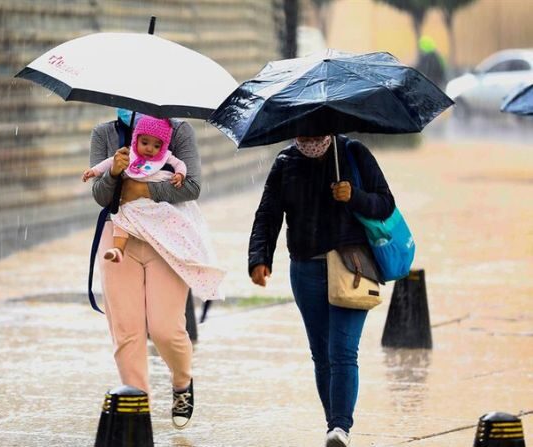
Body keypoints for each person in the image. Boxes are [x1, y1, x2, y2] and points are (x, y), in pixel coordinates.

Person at [248, 134, 395, 447]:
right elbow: (268, 214)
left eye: (317, 126)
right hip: (306, 269)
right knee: (322, 353)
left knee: (342, 351)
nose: (310, 133)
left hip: (351, 265)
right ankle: (334, 427)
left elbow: (385, 204)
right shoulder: (286, 162)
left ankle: (341, 427)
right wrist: (259, 258)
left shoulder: (353, 153)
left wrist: (353, 196)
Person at [88, 109, 224, 430]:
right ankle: (139, 413)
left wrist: (145, 190)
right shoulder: (104, 133)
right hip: (120, 235)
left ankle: (181, 381)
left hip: (167, 236)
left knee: (165, 328)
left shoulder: (179, 131)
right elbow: (100, 196)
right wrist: (113, 175)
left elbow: (191, 187)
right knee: (126, 331)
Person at [83, 116, 187, 263]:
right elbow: (108, 162)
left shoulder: (166, 157)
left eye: (157, 146)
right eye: (144, 142)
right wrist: (93, 171)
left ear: (163, 147)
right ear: (136, 139)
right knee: (120, 216)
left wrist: (180, 174)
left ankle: (176, 246)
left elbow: (180, 164)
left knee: (167, 212)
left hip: (153, 198)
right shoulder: (128, 153)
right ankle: (118, 249)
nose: (150, 149)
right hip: (130, 202)